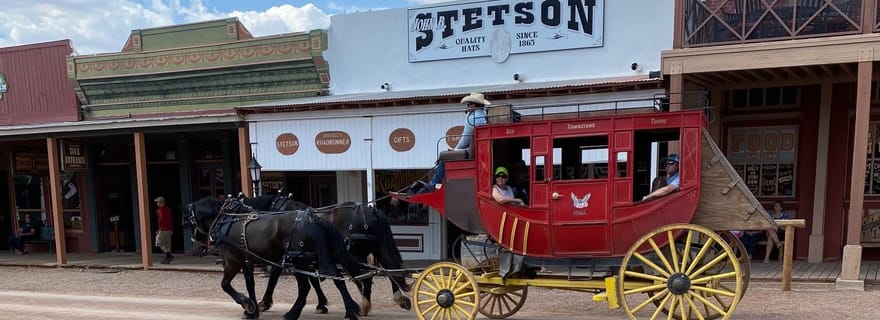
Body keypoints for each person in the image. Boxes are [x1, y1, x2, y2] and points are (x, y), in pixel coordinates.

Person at [416, 92, 489, 193]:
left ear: (473, 105)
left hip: (471, 150)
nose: (467, 107)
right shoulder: (485, 115)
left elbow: (465, 139)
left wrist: (455, 150)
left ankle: (433, 185)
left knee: (444, 157)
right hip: (479, 148)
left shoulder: (472, 118)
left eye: (468, 104)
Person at [154, 196, 174, 264]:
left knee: (158, 242)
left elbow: (161, 219)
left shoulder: (161, 210)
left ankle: (169, 255)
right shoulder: (168, 209)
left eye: (158, 202)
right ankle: (167, 259)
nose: (157, 203)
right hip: (170, 229)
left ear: (162, 202)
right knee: (167, 244)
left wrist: (159, 229)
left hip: (164, 229)